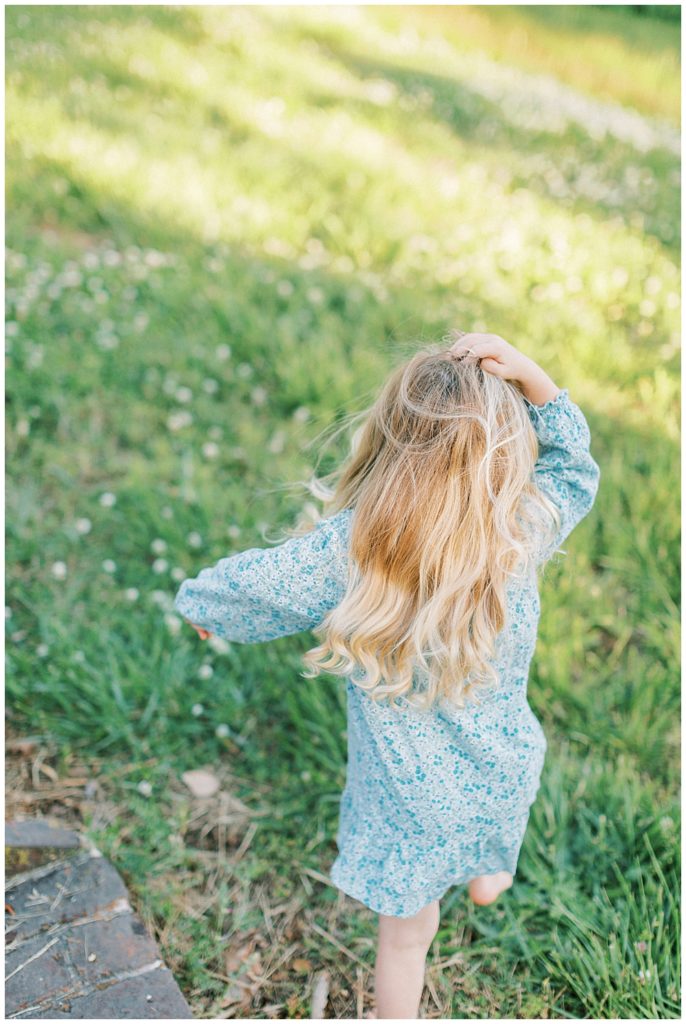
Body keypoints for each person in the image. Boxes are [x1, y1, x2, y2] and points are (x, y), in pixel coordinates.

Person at [173, 331, 601, 1019]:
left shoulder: (351, 550)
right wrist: (538, 382)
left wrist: (203, 605)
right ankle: (490, 873)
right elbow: (574, 470)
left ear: (389, 443)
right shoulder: (520, 528)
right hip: (505, 766)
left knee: (407, 939)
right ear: (504, 456)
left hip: (410, 798)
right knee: (491, 825)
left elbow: (259, 585)